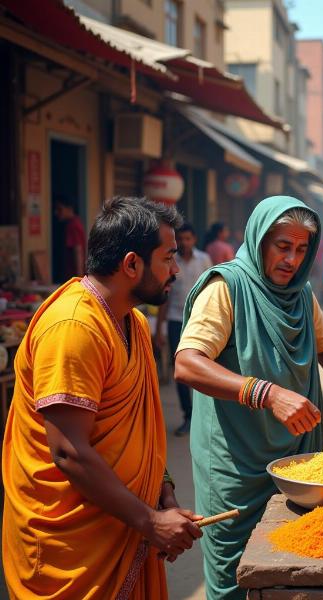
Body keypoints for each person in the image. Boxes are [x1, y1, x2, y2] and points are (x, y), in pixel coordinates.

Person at [174, 196, 323, 600]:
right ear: (259, 240)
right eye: (283, 247)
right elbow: (188, 363)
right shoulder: (225, 287)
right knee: (234, 573)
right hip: (235, 462)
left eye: (302, 250)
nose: (292, 260)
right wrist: (265, 392)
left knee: (290, 566)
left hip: (295, 459)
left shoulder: (300, 293)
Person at [2, 197, 202, 599]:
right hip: (71, 550)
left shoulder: (136, 324)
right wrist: (150, 521)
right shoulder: (74, 327)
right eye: (168, 258)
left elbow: (140, 431)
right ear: (131, 265)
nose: (176, 271)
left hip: (124, 520)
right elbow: (68, 452)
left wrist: (162, 493)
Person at [155, 223, 212, 436]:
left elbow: (214, 289)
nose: (186, 242)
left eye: (189, 238)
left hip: (200, 321)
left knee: (203, 368)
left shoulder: (204, 259)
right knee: (180, 371)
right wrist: (160, 327)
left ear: (194, 239)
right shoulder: (172, 261)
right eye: (182, 239)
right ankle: (188, 416)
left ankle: (202, 416)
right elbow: (164, 297)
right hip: (175, 320)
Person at [55, 195, 87, 279]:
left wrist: (79, 278)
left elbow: (78, 251)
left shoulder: (73, 225)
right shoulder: (75, 223)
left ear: (69, 208)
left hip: (73, 276)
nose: (56, 212)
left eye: (60, 209)